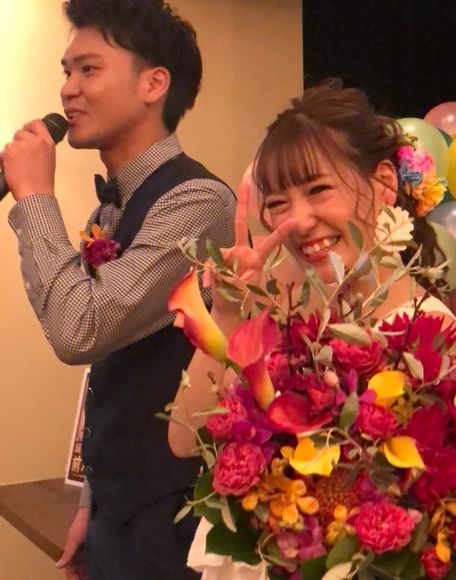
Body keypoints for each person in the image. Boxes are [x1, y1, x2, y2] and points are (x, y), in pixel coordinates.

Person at [165, 81, 454, 577]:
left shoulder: (428, 329)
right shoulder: (274, 297)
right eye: (278, 203)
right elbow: (184, 439)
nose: (298, 221)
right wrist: (229, 311)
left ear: (384, 184)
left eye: (318, 190)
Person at [1, 1, 235, 578]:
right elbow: (110, 361)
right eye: (66, 71)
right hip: (120, 510)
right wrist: (93, 501)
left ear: (154, 83)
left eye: (89, 69)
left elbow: (79, 330)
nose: (67, 90)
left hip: (172, 519)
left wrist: (35, 197)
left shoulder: (197, 202)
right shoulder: (113, 208)